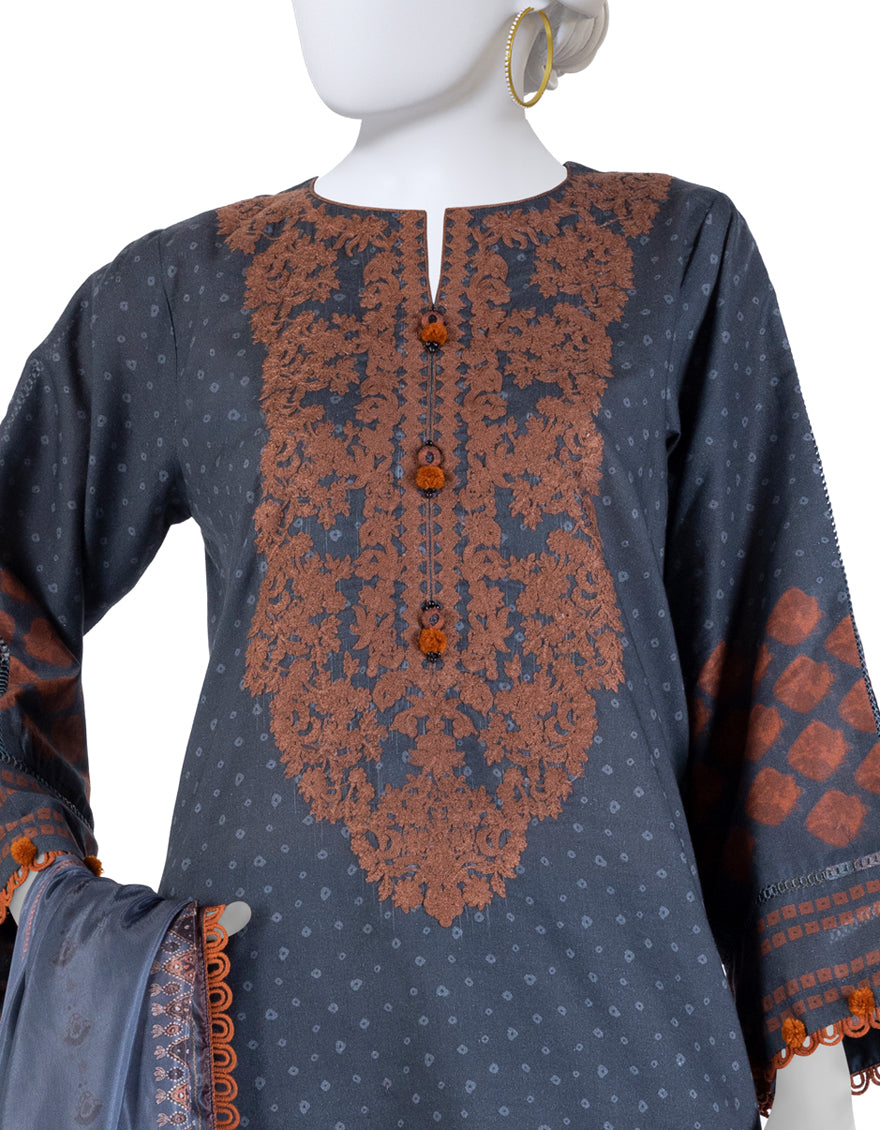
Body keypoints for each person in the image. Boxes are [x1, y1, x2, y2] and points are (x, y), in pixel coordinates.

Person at [0, 2, 878, 1126]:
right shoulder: (185, 290)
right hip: (265, 1052)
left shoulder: (680, 253)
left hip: (626, 1053)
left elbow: (774, 655)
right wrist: (50, 897)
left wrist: (816, 1092)